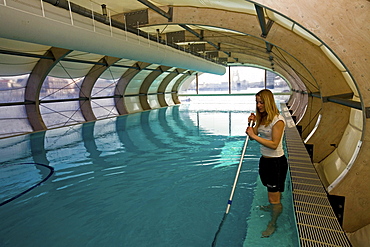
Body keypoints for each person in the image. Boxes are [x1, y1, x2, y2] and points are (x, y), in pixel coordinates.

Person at [245, 89, 288, 238]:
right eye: (257, 102)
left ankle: (273, 222)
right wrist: (253, 123)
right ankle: (274, 204)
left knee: (273, 197)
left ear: (268, 102)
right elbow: (253, 137)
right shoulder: (262, 118)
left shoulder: (278, 120)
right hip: (265, 161)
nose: (259, 105)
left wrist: (253, 135)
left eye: (261, 102)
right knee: (273, 193)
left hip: (276, 163)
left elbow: (274, 144)